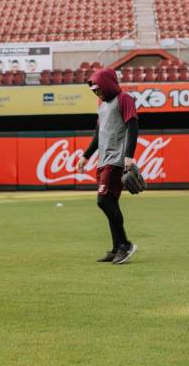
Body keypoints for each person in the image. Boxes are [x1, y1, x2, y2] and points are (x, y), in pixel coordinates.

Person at [76, 68, 139, 265]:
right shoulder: (102, 106)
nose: (97, 92)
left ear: (108, 84)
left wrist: (129, 155)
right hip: (103, 160)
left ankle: (125, 245)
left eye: (99, 88)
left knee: (103, 201)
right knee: (110, 201)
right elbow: (98, 135)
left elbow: (133, 124)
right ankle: (115, 248)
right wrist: (86, 156)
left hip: (116, 159)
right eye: (94, 90)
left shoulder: (124, 98)